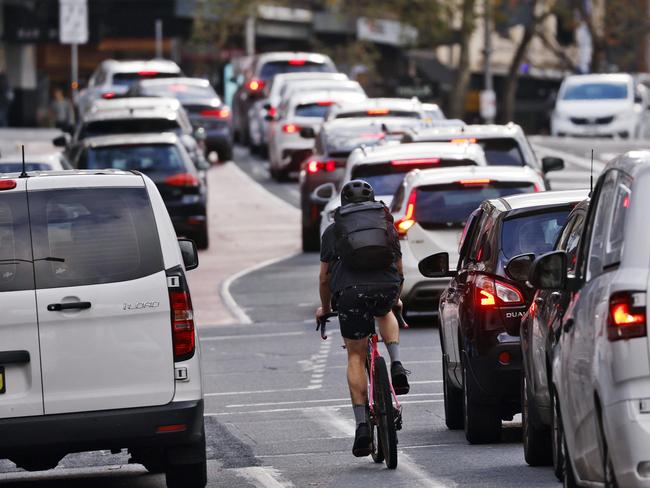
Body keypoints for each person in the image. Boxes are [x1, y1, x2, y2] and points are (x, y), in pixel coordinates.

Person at [316, 179, 410, 458]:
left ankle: (361, 428)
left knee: (355, 357)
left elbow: (324, 278)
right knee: (386, 310)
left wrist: (325, 307)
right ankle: (396, 363)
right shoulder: (385, 224)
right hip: (385, 287)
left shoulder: (334, 231)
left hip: (350, 293)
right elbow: (399, 265)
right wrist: (396, 295)